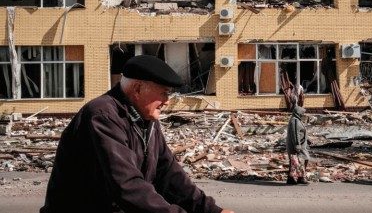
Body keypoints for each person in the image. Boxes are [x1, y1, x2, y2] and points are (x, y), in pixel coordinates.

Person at [41, 55, 234, 213]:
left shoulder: (146, 119)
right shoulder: (102, 115)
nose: (167, 101)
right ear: (138, 88)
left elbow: (168, 174)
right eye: (164, 93)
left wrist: (210, 210)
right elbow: (126, 185)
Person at [285, 105, 310, 185]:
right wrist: (297, 145)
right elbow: (295, 134)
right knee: (302, 160)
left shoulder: (297, 120)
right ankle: (300, 178)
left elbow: (301, 132)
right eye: (302, 113)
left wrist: (308, 139)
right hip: (297, 145)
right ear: (298, 113)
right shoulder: (295, 121)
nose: (303, 114)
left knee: (295, 162)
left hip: (300, 144)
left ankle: (292, 178)